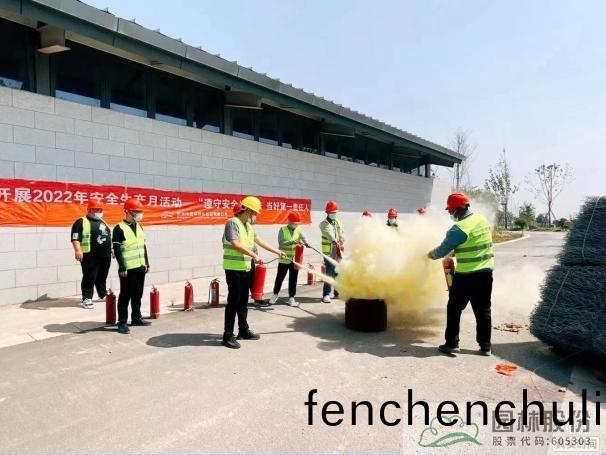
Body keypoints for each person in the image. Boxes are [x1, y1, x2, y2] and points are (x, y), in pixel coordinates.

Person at [427, 192, 494, 356]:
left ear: (458, 209)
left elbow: (442, 250)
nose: (450, 213)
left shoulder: (459, 228)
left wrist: (429, 255)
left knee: (454, 308)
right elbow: (476, 244)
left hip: (465, 276)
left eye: (450, 210)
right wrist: (456, 251)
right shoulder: (481, 219)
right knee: (483, 311)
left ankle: (451, 343)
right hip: (485, 274)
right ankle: (485, 346)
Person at [222, 196, 287, 349]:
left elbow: (260, 241)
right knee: (233, 302)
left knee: (243, 301)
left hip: (245, 268)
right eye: (255, 213)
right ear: (248, 211)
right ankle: (228, 335)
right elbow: (235, 243)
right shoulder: (232, 223)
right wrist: (254, 255)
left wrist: (277, 251)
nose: (255, 216)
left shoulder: (249, 227)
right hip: (233, 269)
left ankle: (243, 330)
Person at [112, 198, 151, 334]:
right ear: (127, 212)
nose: (139, 215)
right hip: (128, 269)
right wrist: (122, 266)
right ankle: (122, 322)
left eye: (140, 212)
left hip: (140, 266)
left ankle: (136, 317)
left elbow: (143, 246)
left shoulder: (139, 227)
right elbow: (117, 249)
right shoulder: (119, 228)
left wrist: (146, 262)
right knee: (125, 295)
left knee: (138, 294)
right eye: (136, 212)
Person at [71, 199, 112, 309]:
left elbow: (108, 236)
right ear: (89, 210)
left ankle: (102, 294)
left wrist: (111, 248)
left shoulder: (103, 221)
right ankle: (87, 298)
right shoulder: (81, 222)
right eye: (96, 209)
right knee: (89, 277)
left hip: (105, 255)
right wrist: (77, 250)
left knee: (102, 276)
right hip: (90, 255)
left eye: (100, 210)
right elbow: (75, 237)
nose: (99, 212)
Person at [269, 211, 310, 307]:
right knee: (280, 278)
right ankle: (275, 294)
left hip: (295, 260)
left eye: (297, 223)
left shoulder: (299, 229)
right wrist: (291, 241)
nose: (296, 225)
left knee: (293, 279)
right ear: (289, 222)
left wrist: (306, 243)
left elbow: (304, 238)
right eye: (294, 223)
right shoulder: (282, 230)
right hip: (284, 259)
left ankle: (291, 297)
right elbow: (281, 243)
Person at [319, 200, 344, 303]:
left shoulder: (337, 222)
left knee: (337, 272)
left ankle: (337, 293)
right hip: (329, 252)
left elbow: (342, 232)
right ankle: (326, 294)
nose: (333, 214)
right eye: (332, 212)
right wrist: (335, 241)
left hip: (337, 251)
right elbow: (330, 235)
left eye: (335, 212)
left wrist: (342, 239)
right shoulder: (323, 224)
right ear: (327, 213)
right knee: (330, 273)